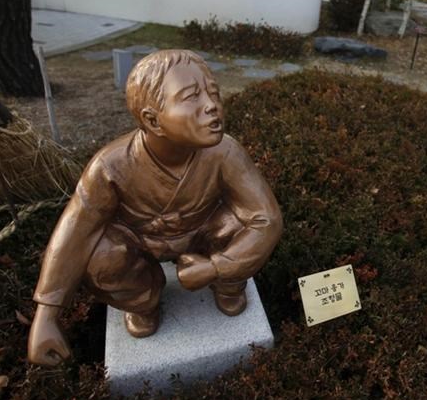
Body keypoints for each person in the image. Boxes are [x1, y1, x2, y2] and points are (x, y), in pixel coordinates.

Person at [27, 49, 283, 367]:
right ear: (152, 119)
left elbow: (266, 218)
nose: (212, 105)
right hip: (141, 241)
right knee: (100, 255)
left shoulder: (224, 152)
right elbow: (76, 231)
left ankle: (229, 286)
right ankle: (142, 301)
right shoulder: (110, 165)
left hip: (204, 234)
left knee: (242, 224)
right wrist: (47, 315)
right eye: (191, 97)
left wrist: (219, 266)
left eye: (213, 92)